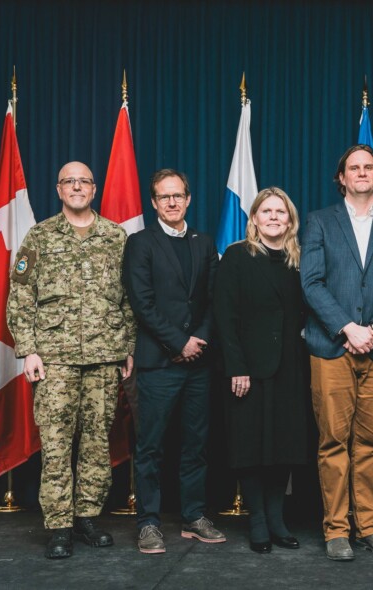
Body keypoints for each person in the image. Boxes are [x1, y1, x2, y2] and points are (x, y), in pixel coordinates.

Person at [6, 161, 135, 559]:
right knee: (58, 441)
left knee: (97, 439)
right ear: (59, 189)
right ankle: (59, 524)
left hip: (103, 354)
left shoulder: (115, 236)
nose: (76, 187)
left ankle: (87, 517)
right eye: (69, 182)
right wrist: (28, 350)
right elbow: (20, 296)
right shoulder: (41, 235)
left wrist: (127, 346)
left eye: (83, 182)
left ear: (93, 189)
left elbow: (129, 297)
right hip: (55, 357)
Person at [300, 144, 373, 561]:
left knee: (371, 444)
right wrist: (348, 328)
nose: (362, 173)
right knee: (333, 442)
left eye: (369, 167)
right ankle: (336, 531)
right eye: (354, 167)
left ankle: (369, 526)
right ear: (342, 178)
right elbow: (311, 283)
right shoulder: (319, 222)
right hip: (331, 348)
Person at [123, 168, 223, 554]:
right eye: (164, 197)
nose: (172, 202)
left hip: (198, 362)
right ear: (154, 202)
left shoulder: (204, 242)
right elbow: (142, 304)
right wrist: (179, 342)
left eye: (178, 195)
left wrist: (198, 341)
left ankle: (193, 516)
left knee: (195, 445)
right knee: (151, 447)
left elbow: (214, 300)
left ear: (188, 199)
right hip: (159, 363)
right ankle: (148, 522)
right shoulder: (140, 243)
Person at [213, 187, 309, 554]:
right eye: (266, 211)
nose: (273, 217)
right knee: (250, 445)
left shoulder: (298, 260)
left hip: (290, 367)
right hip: (248, 369)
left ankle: (276, 519)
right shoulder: (237, 257)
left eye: (280, 212)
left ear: (290, 219)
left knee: (283, 445)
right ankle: (257, 521)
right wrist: (236, 367)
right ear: (253, 218)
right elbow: (225, 316)